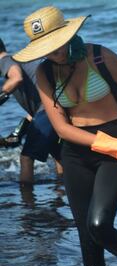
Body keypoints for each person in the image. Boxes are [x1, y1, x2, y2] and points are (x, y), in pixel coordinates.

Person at [14, 6, 117, 266]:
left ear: (68, 34)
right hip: (77, 153)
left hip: (116, 155)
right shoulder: (45, 74)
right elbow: (62, 128)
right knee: (87, 238)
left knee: (98, 224)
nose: (53, 52)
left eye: (56, 44)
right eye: (46, 48)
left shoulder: (100, 56)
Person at [0, 37, 62, 183]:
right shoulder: (18, 60)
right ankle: (63, 194)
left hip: (48, 109)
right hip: (55, 107)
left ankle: (27, 201)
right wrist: (19, 131)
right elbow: (39, 100)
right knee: (58, 156)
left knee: (26, 158)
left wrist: (2, 94)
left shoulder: (4, 61)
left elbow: (16, 78)